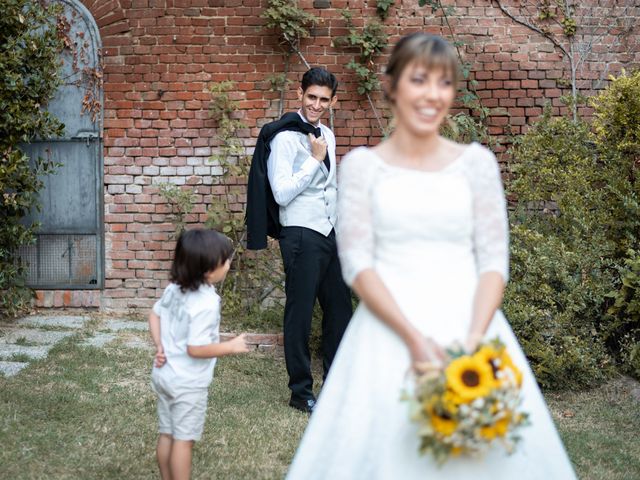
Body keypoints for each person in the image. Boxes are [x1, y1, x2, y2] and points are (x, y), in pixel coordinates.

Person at [286, 33, 577, 479]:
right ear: (392, 85)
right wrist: (415, 342)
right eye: (419, 79)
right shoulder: (362, 167)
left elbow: (494, 261)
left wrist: (472, 346)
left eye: (444, 83)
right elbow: (358, 264)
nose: (431, 94)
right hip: (387, 335)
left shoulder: (477, 163)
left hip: (472, 329)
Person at [249, 68, 353, 413]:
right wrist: (313, 161)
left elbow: (332, 187)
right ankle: (301, 391)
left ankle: (337, 383)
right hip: (299, 233)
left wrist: (337, 226)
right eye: (312, 97)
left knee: (339, 310)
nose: (317, 105)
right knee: (300, 313)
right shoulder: (284, 137)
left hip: (327, 233)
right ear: (300, 93)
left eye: (324, 99)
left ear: (332, 101)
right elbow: (281, 193)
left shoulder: (329, 135)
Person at [148, 228, 250, 480]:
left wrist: (159, 345)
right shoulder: (206, 302)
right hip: (187, 384)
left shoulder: (174, 288)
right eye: (225, 260)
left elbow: (154, 314)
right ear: (207, 269)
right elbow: (195, 348)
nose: (228, 264)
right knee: (183, 442)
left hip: (164, 376)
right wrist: (230, 346)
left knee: (167, 434)